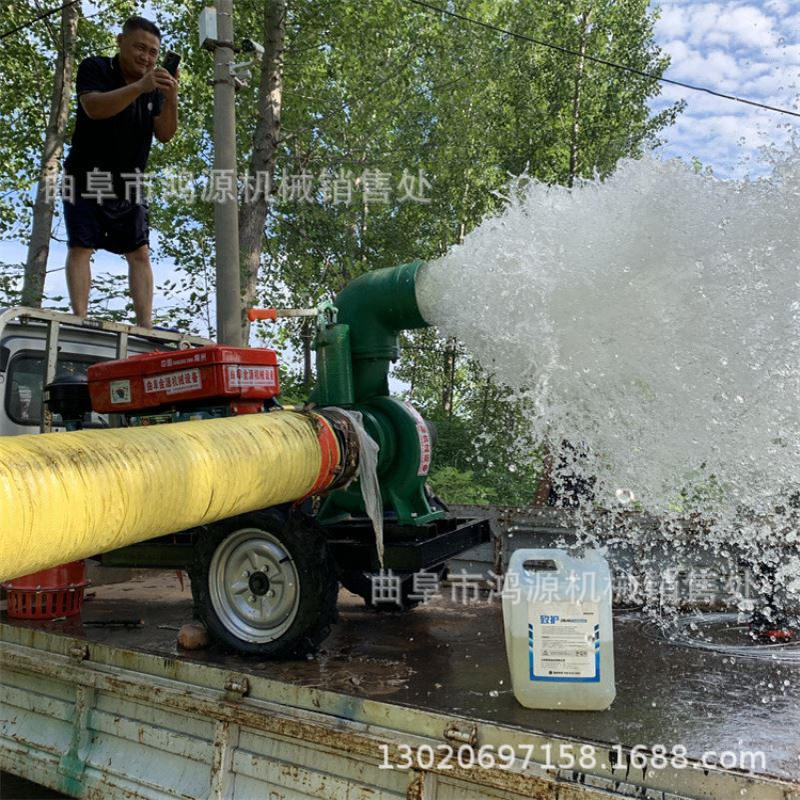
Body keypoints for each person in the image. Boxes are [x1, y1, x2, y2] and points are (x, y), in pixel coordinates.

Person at [63, 16, 178, 329]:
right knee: (81, 246)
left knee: (139, 251)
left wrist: (170, 95)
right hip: (85, 176)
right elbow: (94, 108)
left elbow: (165, 134)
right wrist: (140, 87)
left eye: (153, 52)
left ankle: (146, 326)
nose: (146, 57)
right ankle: (80, 319)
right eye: (140, 48)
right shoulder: (96, 68)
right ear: (120, 42)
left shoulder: (154, 88)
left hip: (129, 181)